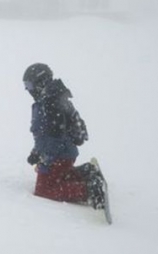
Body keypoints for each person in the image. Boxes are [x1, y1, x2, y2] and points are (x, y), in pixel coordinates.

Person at [22, 63, 106, 210]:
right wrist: (36, 152)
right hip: (62, 153)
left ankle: (88, 190)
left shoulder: (49, 103)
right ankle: (86, 171)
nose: (27, 90)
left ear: (40, 82)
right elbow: (44, 135)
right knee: (59, 176)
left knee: (44, 189)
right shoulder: (50, 99)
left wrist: (46, 161)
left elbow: (54, 136)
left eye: (29, 85)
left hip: (58, 155)